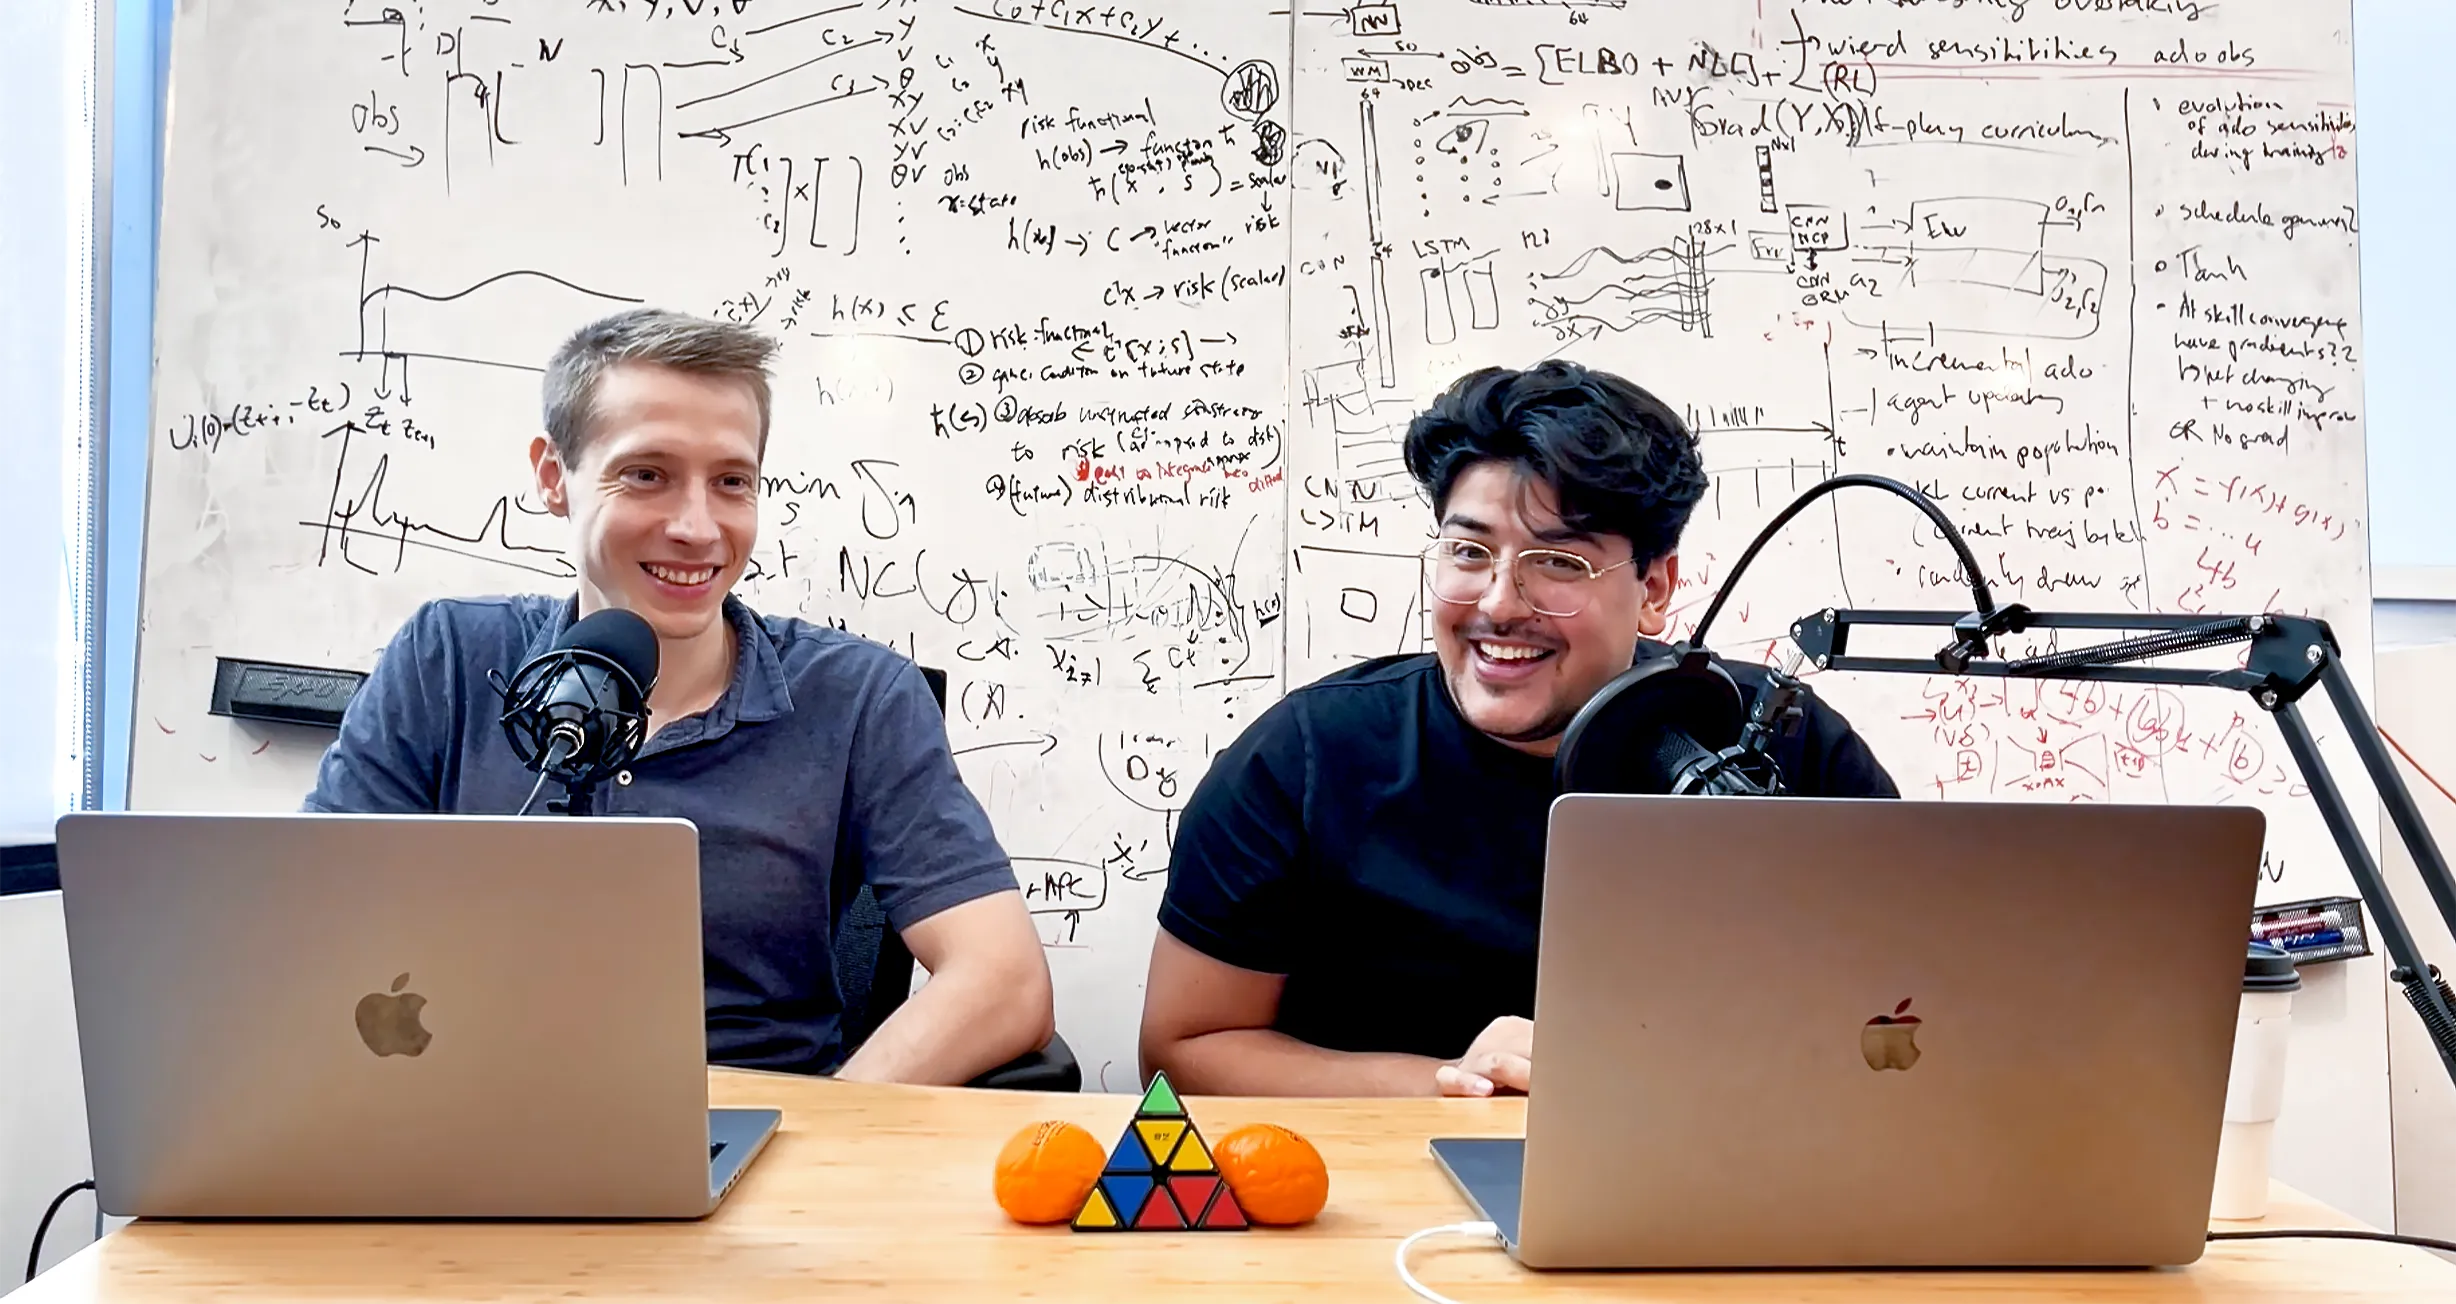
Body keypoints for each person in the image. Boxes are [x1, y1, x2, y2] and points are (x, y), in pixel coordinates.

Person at [305, 308, 1054, 1083]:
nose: (699, 528)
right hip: (450, 1122)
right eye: (647, 474)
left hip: (751, 1144)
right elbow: (308, 924)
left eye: (732, 482)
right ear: (553, 476)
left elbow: (1004, 982)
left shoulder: (860, 697)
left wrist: (819, 1134)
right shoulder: (449, 658)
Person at [1140, 360, 1897, 1098]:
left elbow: (1910, 1016)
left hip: (1721, 1192)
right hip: (1389, 1206)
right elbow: (1184, 1048)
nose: (1500, 604)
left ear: (1655, 589)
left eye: (1559, 562)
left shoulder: (1784, 744)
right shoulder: (1304, 758)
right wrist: (1451, 1085)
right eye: (1470, 552)